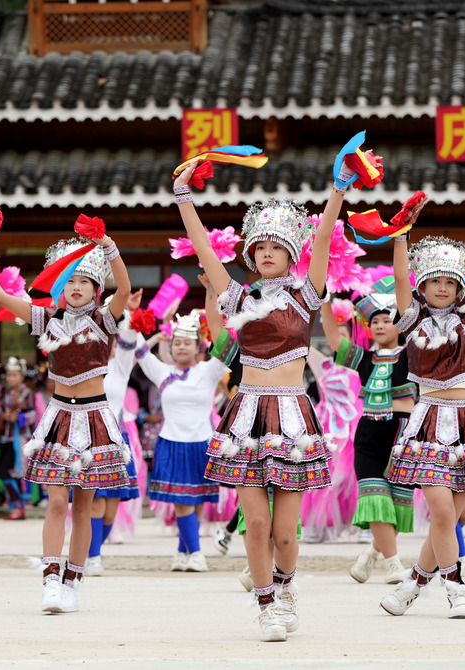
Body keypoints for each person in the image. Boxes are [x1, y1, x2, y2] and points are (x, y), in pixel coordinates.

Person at [173, 148, 348, 641]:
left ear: (291, 255)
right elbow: (203, 248)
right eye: (260, 247)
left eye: (278, 246)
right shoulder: (236, 296)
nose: (268, 252)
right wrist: (184, 197)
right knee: (254, 523)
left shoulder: (305, 295)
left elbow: (323, 243)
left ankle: (286, 586)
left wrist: (337, 193)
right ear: (250, 254)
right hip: (246, 415)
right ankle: (267, 604)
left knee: (285, 531)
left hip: (292, 414)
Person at [0, 225, 132, 614]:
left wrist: (109, 247)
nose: (77, 286)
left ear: (97, 289)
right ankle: (51, 580)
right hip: (59, 417)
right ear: (60, 286)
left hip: (96, 418)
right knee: (55, 503)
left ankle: (74, 583)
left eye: (85, 280)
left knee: (84, 506)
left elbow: (125, 286)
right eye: (71, 280)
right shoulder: (46, 318)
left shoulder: (104, 319)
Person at [381, 228, 465, 619]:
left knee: (451, 516)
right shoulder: (411, 319)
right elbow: (401, 276)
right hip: (427, 421)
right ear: (423, 285)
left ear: (460, 287)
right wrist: (401, 236)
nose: (442, 288)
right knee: (441, 512)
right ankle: (455, 586)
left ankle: (413, 584)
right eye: (434, 281)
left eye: (450, 282)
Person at [320, 285, 415, 585]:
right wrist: (324, 300)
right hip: (368, 435)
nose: (380, 325)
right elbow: (334, 338)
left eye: (386, 320)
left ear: (400, 324)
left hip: (403, 434)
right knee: (375, 499)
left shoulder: (414, 355)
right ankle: (393, 564)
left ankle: (370, 555)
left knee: (397, 507)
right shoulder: (363, 359)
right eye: (374, 321)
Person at [126, 308, 227, 573]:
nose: (181, 347)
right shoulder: (162, 371)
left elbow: (229, 349)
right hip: (171, 441)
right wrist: (139, 323)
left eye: (187, 342)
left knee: (196, 499)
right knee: (182, 499)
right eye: (177, 343)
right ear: (171, 347)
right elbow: (138, 353)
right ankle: (196, 553)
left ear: (198, 346)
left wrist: (214, 299)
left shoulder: (209, 370)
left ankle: (183, 552)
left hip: (202, 442)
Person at [87, 289, 144, 576]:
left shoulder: (119, 365)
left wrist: (128, 313)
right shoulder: (83, 355)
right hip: (86, 436)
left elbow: (129, 339)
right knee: (94, 501)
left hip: (115, 438)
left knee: (111, 508)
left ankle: (93, 549)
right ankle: (92, 556)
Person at [0, 357, 37, 519]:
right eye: (9, 375)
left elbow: (33, 415)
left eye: (14, 375)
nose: (11, 378)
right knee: (5, 473)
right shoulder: (4, 392)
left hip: (19, 440)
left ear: (21, 376)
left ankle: (19, 507)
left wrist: (18, 418)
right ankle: (16, 506)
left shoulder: (27, 394)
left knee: (10, 473)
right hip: (5, 438)